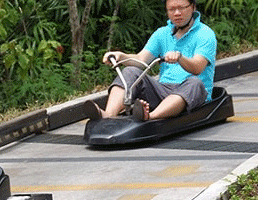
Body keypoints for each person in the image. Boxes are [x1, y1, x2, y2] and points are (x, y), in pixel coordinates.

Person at [84, 0, 216, 122]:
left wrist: (180, 58)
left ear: (193, 7)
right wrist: (121, 56)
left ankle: (149, 116)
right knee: (130, 71)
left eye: (181, 8)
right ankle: (108, 114)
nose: (177, 13)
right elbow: (141, 60)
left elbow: (197, 67)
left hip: (194, 92)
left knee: (195, 82)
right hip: (164, 89)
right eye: (171, 9)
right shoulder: (162, 33)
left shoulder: (205, 34)